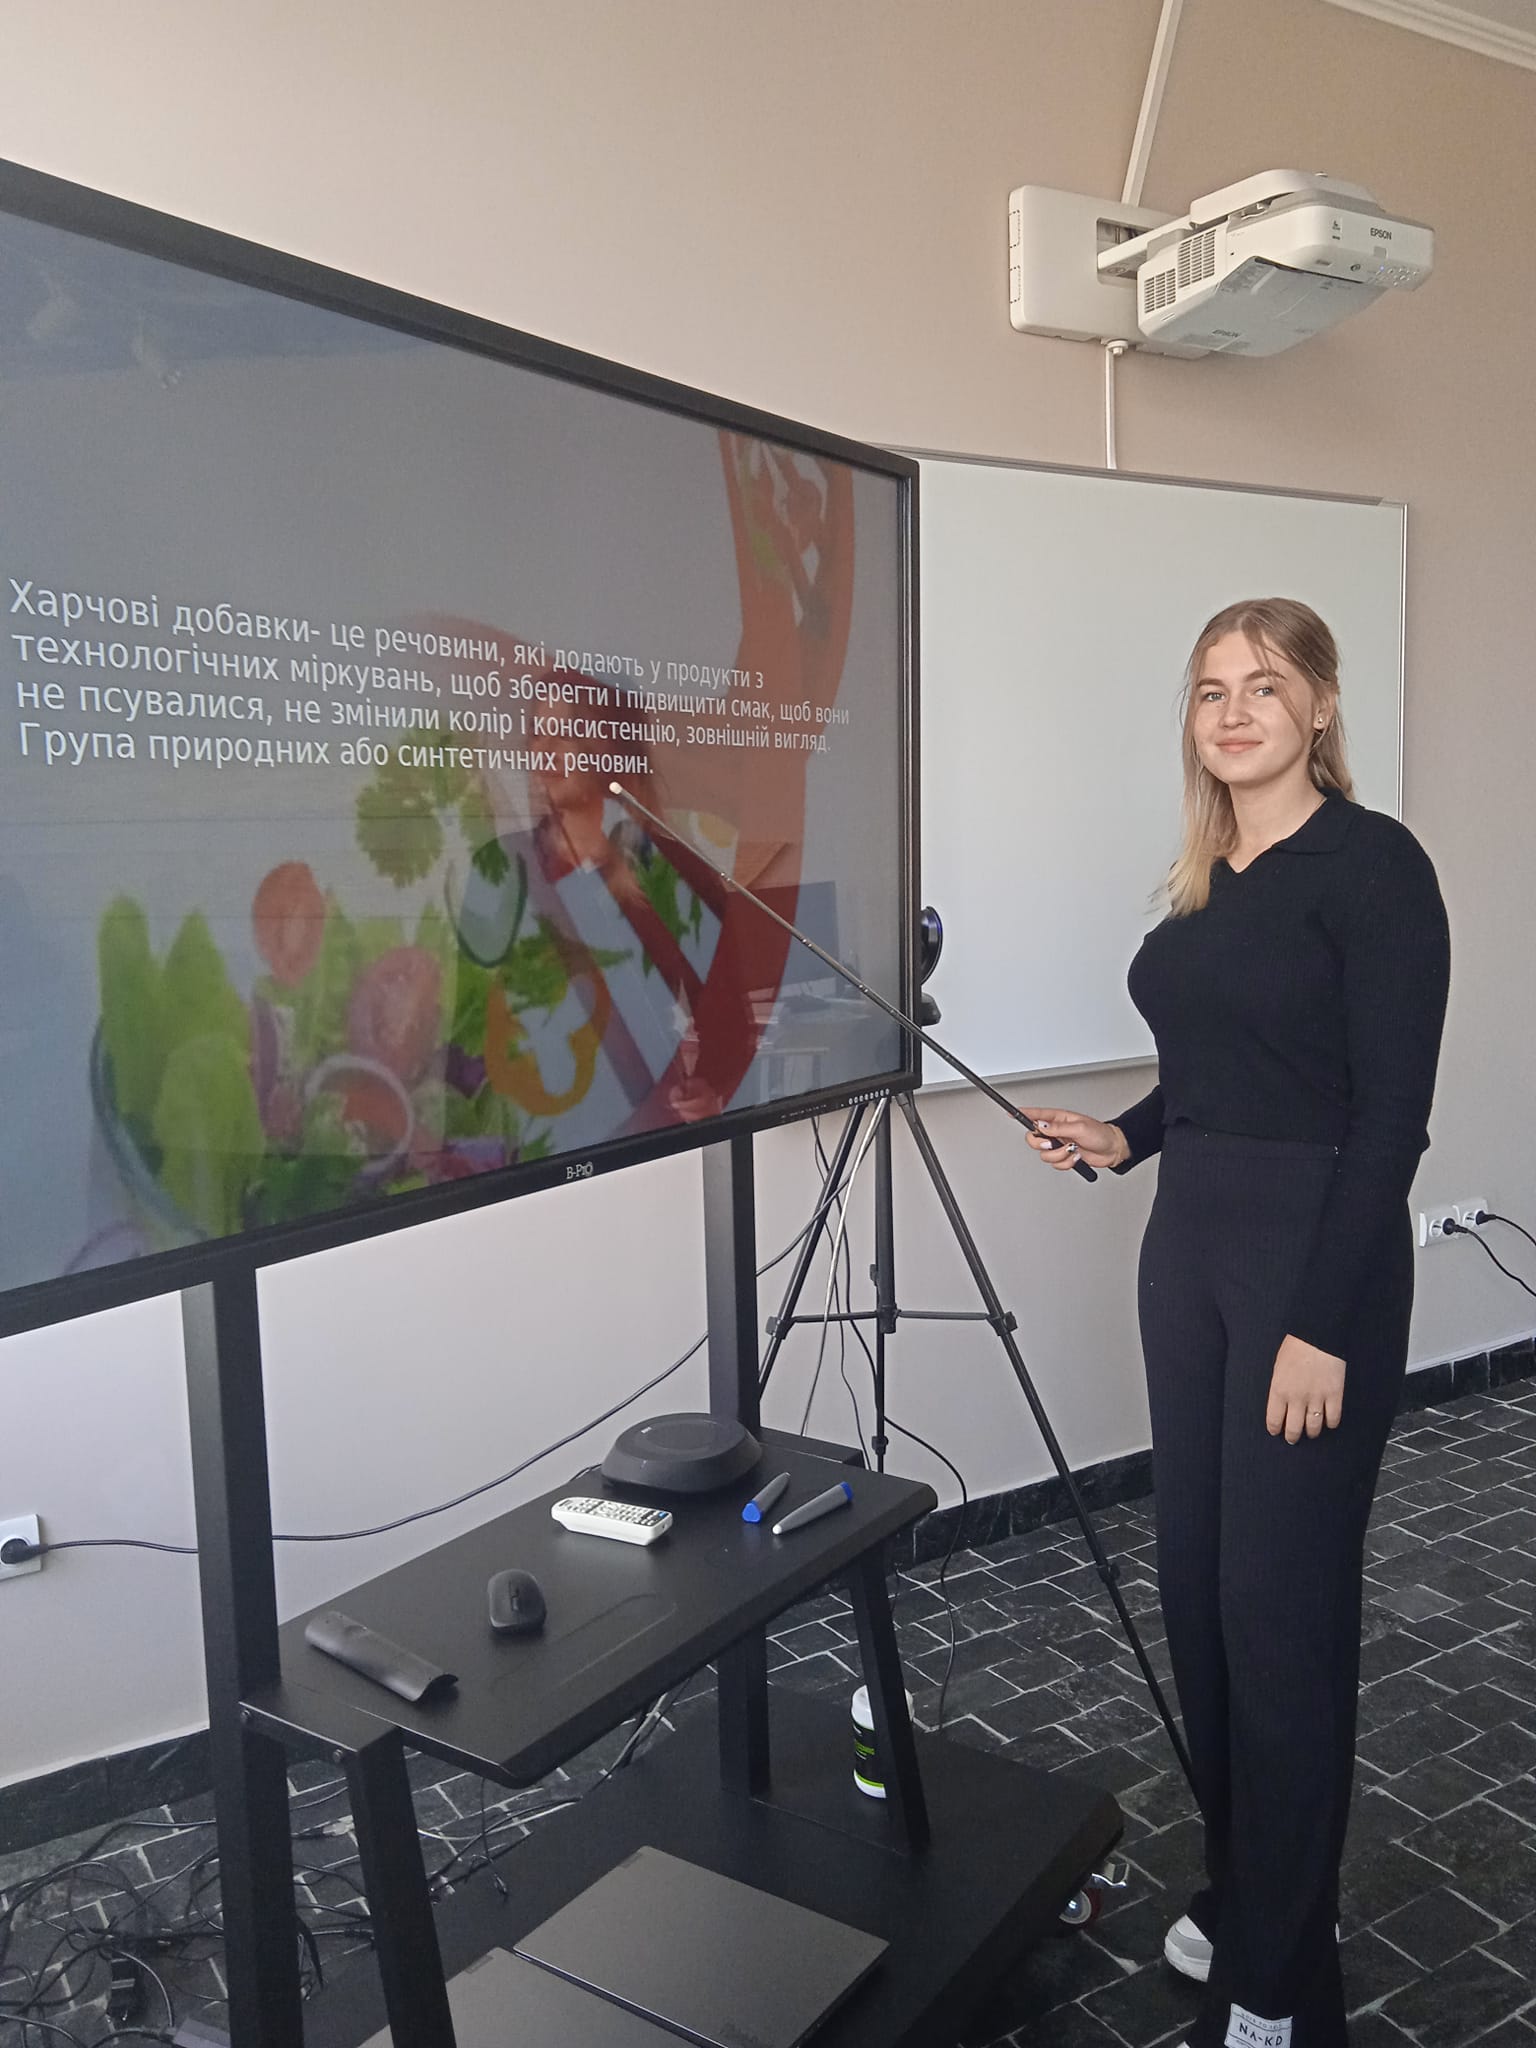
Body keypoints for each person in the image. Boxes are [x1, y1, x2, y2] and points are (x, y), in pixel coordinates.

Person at [1023, 598, 1449, 2048]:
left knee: (1281, 1619)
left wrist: (1320, 1326)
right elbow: (1224, 1067)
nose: (1235, 711)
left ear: (1321, 705)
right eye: (1211, 689)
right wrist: (1127, 1136)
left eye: (1265, 685)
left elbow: (1387, 1117)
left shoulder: (1374, 867)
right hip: (1189, 1253)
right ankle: (1256, 1888)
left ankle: (1284, 1981)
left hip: (1310, 1271)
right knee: (1202, 1603)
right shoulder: (1209, 880)